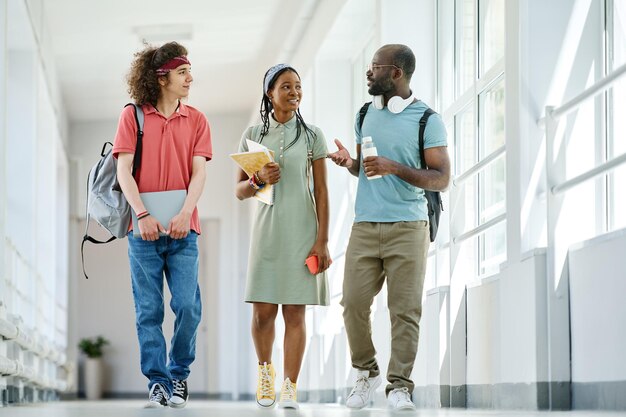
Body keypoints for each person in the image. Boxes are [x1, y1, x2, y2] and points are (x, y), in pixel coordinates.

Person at [328, 44, 450, 411]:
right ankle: (366, 372)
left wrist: (395, 167)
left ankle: (400, 386)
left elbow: (441, 178)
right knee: (352, 303)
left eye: (375, 67)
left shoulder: (428, 120)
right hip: (365, 225)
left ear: (396, 73)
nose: (369, 72)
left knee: (405, 310)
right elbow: (363, 168)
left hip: (408, 227)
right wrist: (351, 162)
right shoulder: (365, 113)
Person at [113, 41, 212, 409]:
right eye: (183, 72)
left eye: (189, 71)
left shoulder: (197, 119)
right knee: (149, 311)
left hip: (185, 230)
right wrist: (141, 214)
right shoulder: (133, 116)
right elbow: (124, 169)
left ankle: (178, 375)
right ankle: (157, 382)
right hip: (143, 232)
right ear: (161, 76)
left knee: (188, 307)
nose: (190, 77)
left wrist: (186, 212)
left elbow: (199, 172)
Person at [235, 63, 330, 410]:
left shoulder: (312, 135)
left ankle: (290, 385)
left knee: (295, 312)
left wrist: (322, 240)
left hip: (302, 230)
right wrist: (260, 178)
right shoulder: (253, 134)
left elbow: (321, 190)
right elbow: (240, 191)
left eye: (298, 87)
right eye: (286, 87)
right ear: (269, 93)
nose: (294, 93)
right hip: (267, 232)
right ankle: (266, 373)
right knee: (262, 312)